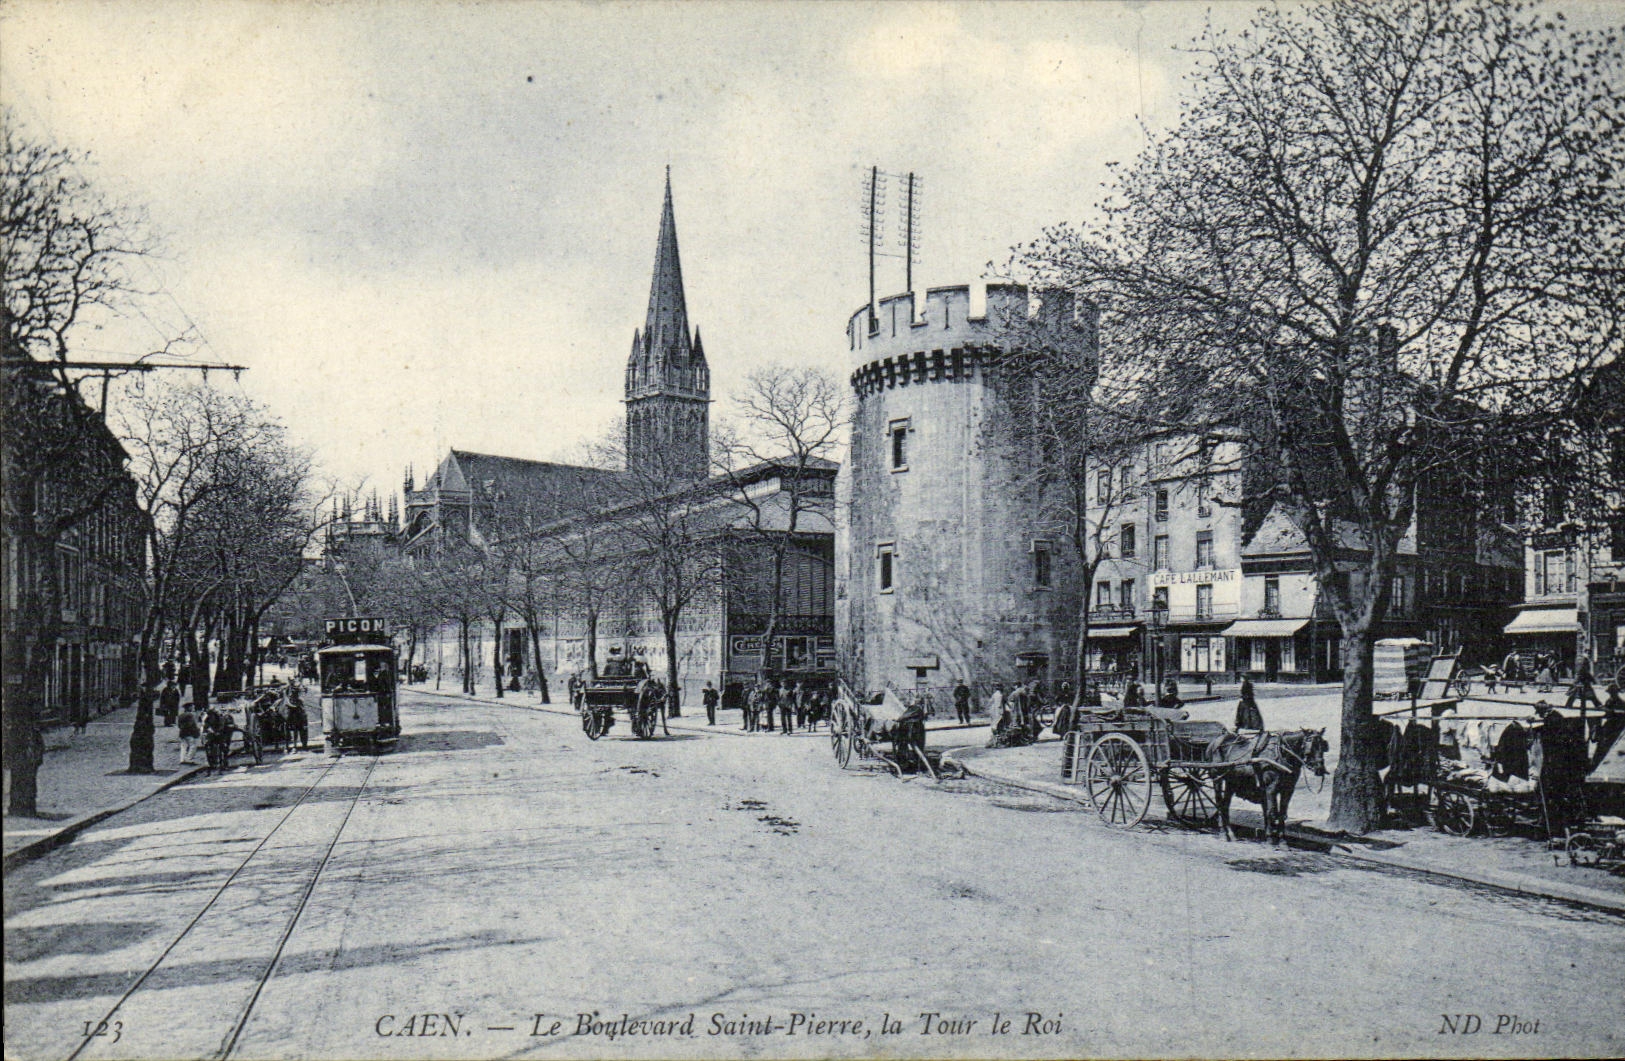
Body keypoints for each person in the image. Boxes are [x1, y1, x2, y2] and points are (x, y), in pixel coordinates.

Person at [286, 685, 309, 750]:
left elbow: (302, 708)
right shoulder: (289, 699)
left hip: (299, 714)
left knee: (303, 715)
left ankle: (304, 745)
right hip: (292, 712)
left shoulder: (300, 700)